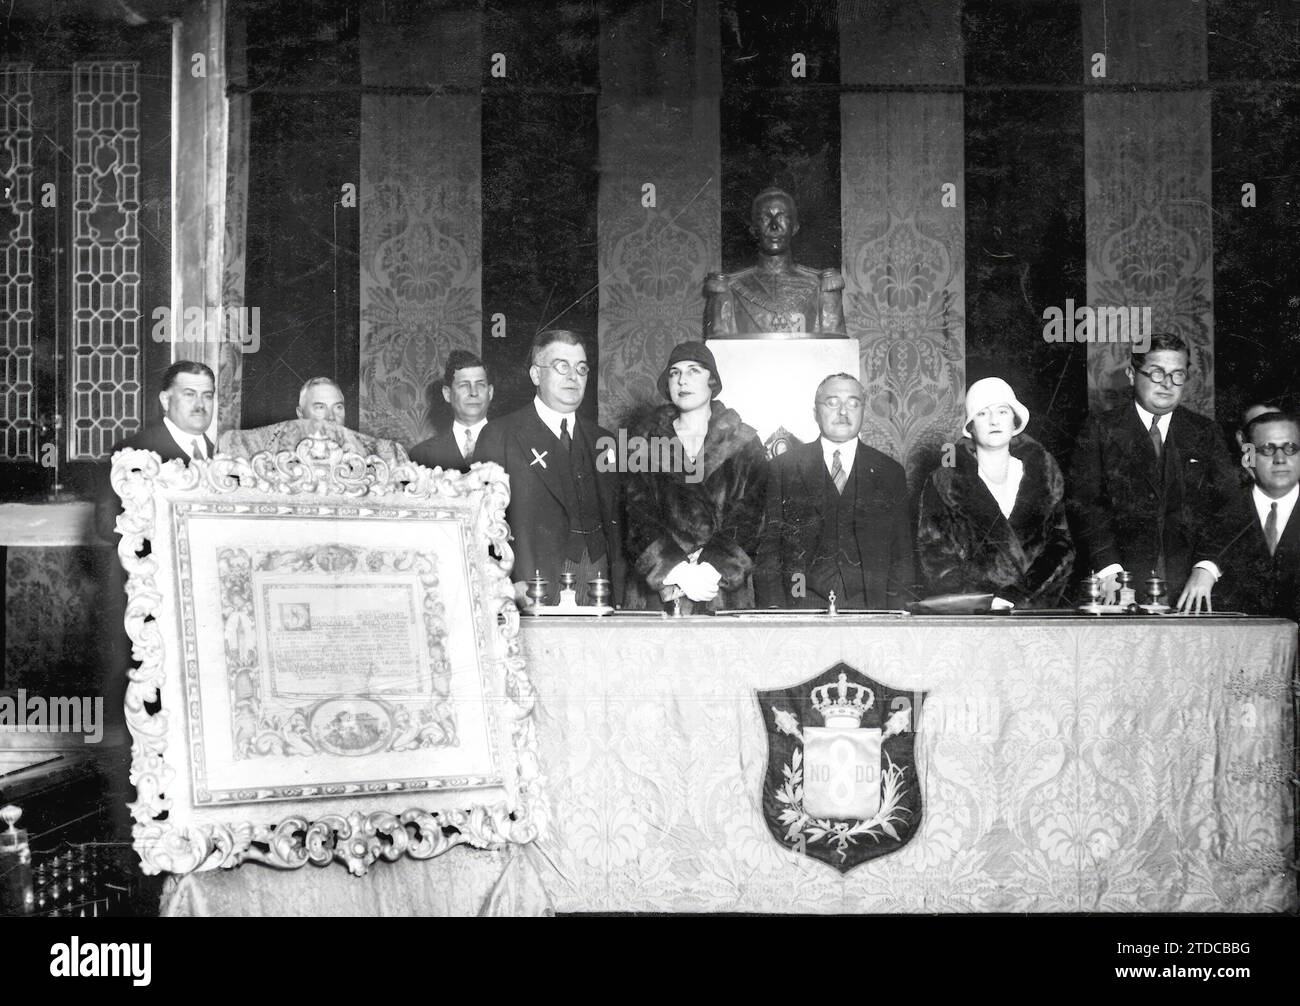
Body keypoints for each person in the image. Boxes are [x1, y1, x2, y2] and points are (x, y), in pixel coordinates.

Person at [1066, 332, 1238, 602]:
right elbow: (1084, 504)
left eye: (1177, 374)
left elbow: (1229, 507)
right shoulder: (1099, 428)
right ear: (1133, 375)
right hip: (1117, 586)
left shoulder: (1206, 432)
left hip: (1191, 590)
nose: (1167, 384)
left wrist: (1207, 566)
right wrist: (1110, 571)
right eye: (1156, 373)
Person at [475, 330, 625, 607]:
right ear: (535, 375)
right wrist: (505, 585)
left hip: (600, 584)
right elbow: (481, 526)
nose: (573, 377)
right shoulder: (500, 435)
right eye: (561, 366)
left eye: (581, 369)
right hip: (533, 588)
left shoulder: (605, 442)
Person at [624, 342, 767, 613]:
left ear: (712, 381)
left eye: (694, 371)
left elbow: (751, 516)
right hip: (661, 587)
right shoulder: (642, 440)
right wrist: (677, 570)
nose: (682, 380)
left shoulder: (744, 441)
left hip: (720, 588)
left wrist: (711, 567)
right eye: (675, 373)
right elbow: (637, 515)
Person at [755, 373, 914, 608]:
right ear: (815, 413)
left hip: (871, 609)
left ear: (863, 411)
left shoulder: (889, 472)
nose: (843, 412)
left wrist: (898, 614)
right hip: (801, 608)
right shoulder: (784, 467)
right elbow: (769, 550)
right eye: (832, 402)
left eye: (853, 403)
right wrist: (774, 611)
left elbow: (902, 556)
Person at [916, 378, 1074, 609]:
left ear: (1014, 420)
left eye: (1002, 411)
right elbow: (935, 556)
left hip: (1036, 609)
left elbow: (1061, 548)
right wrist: (985, 602)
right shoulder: (944, 481)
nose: (993, 420)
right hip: (977, 616)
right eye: (982, 414)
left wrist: (1019, 599)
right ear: (970, 427)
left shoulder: (1046, 474)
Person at [1178, 411, 1300, 618]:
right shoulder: (1217, 513)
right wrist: (1205, 568)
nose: (1280, 459)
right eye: (1268, 449)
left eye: (1290, 448)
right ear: (1248, 457)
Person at [704, 187, 846, 338]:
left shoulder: (823, 287)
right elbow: (721, 355)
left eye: (781, 217)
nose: (774, 226)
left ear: (795, 227)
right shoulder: (728, 290)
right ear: (753, 229)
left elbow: (837, 353)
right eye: (765, 217)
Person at [96, 360, 215, 538]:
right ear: (166, 400)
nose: (200, 405)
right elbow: (107, 526)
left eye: (207, 396)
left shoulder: (225, 453)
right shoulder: (132, 451)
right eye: (190, 395)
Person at [410, 351, 493, 473]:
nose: (473, 392)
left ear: (490, 393)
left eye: (480, 385)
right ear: (447, 394)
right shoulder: (422, 455)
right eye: (464, 385)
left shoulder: (513, 446)